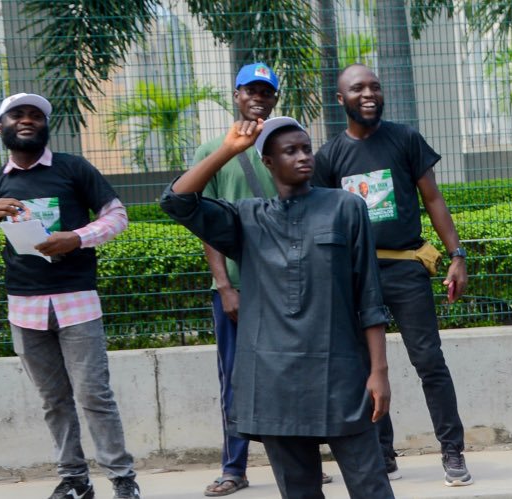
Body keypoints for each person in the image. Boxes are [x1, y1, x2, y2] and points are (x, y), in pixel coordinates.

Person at [163, 117, 395, 498]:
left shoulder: (346, 208)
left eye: (306, 148)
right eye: (290, 151)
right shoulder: (247, 217)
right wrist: (229, 150)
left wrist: (379, 371)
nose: (303, 156)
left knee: (372, 487)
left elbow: (369, 297)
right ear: (268, 163)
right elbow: (177, 201)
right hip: (273, 382)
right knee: (299, 492)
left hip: (340, 374)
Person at [312, 64, 472, 485]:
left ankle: (452, 450)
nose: (369, 94)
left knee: (429, 360)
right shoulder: (328, 157)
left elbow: (433, 199)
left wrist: (456, 255)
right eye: (358, 88)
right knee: (365, 366)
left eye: (375, 86)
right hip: (357, 276)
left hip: (405, 268)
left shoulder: (405, 140)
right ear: (340, 99)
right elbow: (322, 221)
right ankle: (383, 455)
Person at [0, 93, 140, 499]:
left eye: (36, 116)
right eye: (17, 115)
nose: (27, 121)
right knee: (53, 400)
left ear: (46, 126)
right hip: (24, 307)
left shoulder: (73, 168)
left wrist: (76, 238)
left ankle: (122, 478)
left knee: (94, 395)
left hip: (77, 301)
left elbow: (117, 215)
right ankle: (74, 480)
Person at [194, 62, 326, 497]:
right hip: (239, 286)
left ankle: (302, 462)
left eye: (265, 92)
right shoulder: (214, 150)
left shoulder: (290, 147)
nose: (258, 98)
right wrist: (224, 286)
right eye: (250, 90)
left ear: (273, 98)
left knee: (296, 370)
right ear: (236, 95)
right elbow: (206, 223)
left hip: (288, 286)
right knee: (235, 376)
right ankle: (234, 467)